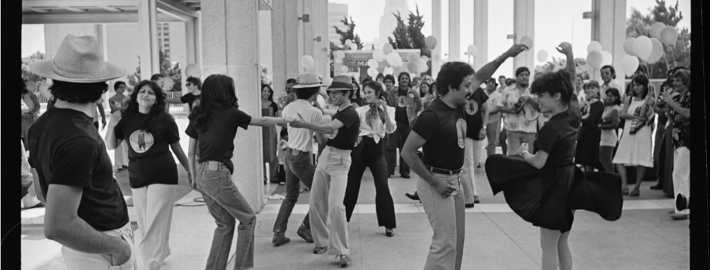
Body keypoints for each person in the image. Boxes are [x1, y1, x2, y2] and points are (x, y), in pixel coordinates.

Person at [402, 43, 528, 270]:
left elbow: (481, 74)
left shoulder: (457, 103)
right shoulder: (432, 115)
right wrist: (435, 183)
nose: (471, 90)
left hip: (455, 181)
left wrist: (506, 55)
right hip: (436, 183)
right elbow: (407, 152)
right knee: (444, 243)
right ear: (451, 87)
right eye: (466, 86)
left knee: (457, 242)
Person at [486, 61, 623, 270]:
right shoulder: (573, 115)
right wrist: (569, 57)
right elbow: (571, 86)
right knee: (561, 241)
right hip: (571, 181)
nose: (537, 99)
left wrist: (524, 152)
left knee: (548, 244)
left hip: (556, 186)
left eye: (541, 95)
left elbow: (539, 162)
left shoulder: (552, 127)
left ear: (557, 95)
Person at [27, 34, 134, 269]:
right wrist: (118, 246)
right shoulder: (78, 138)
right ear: (101, 88)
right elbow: (58, 225)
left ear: (57, 83)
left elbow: (43, 192)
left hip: (88, 244)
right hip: (100, 246)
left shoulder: (41, 126)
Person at [185, 74, 291, 270]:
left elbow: (191, 151)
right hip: (216, 173)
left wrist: (193, 178)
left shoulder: (199, 114)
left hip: (202, 174)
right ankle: (242, 267)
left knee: (225, 225)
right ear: (226, 91)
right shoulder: (230, 112)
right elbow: (262, 120)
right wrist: (286, 119)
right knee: (248, 218)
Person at [105, 80, 190, 270]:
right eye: (142, 91)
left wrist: (190, 171)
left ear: (157, 99)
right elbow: (111, 145)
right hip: (137, 176)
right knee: (144, 223)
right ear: (136, 95)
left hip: (163, 174)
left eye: (151, 93)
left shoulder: (165, 119)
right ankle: (162, 251)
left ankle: (151, 262)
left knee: (156, 219)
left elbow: (177, 148)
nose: (146, 95)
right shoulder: (126, 118)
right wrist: (111, 126)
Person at [289, 75, 361, 267]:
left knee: (336, 206)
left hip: (340, 162)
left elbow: (329, 126)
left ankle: (343, 251)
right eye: (331, 92)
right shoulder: (339, 110)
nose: (333, 95)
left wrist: (304, 124)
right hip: (326, 157)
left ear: (347, 93)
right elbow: (327, 116)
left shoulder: (350, 114)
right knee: (315, 202)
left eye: (337, 92)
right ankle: (321, 242)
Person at [272, 72, 326, 247]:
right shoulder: (314, 112)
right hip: (301, 158)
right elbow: (322, 140)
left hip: (289, 155)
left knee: (291, 196)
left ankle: (278, 232)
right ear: (315, 91)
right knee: (322, 193)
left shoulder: (289, 107)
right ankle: (305, 227)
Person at [343, 81, 397, 236]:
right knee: (351, 186)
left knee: (382, 185)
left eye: (369, 92)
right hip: (360, 148)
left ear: (378, 93)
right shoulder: (360, 110)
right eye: (365, 92)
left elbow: (390, 129)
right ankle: (342, 221)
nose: (365, 95)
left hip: (377, 149)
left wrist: (385, 110)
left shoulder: (389, 110)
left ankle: (389, 224)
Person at [612, 75, 655, 197]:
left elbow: (644, 113)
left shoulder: (650, 99)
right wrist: (636, 117)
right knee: (619, 158)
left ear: (645, 86)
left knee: (641, 158)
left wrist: (646, 100)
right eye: (634, 85)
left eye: (638, 85)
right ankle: (624, 185)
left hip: (642, 129)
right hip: (628, 129)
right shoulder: (629, 99)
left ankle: (637, 187)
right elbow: (623, 115)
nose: (635, 88)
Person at [660, 69, 690, 220]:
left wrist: (672, 103)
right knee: (681, 174)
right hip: (678, 139)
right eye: (674, 80)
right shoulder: (680, 97)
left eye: (678, 80)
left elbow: (689, 114)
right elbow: (675, 119)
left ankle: (682, 209)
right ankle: (682, 205)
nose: (675, 83)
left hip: (687, 139)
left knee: (679, 173)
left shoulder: (691, 96)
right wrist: (668, 111)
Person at [385, 72, 422, 178]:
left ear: (408, 80)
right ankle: (389, 170)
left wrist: (416, 116)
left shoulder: (413, 92)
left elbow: (419, 105)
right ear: (399, 80)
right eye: (402, 78)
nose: (404, 80)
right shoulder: (393, 91)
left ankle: (405, 171)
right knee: (391, 146)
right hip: (394, 123)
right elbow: (388, 104)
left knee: (405, 148)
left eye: (406, 78)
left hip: (408, 123)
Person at [497, 66, 538, 156]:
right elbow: (499, 107)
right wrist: (512, 110)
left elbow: (540, 107)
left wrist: (529, 99)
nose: (524, 77)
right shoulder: (508, 90)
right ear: (516, 77)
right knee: (513, 157)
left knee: (528, 157)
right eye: (521, 75)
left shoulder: (535, 90)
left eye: (526, 75)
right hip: (512, 129)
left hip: (529, 130)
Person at [461, 86, 489, 207]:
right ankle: (472, 193)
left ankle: (466, 189)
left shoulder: (479, 91)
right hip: (464, 131)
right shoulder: (459, 90)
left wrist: (484, 127)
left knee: (475, 161)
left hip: (477, 131)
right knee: (468, 162)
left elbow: (486, 109)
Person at [575, 80, 604, 171]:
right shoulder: (587, 103)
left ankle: (591, 176)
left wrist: (582, 118)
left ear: (598, 90)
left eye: (593, 88)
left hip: (593, 131)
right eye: (588, 88)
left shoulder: (598, 103)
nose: (590, 90)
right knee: (583, 157)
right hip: (585, 131)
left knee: (589, 156)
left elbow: (591, 119)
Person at [598, 88, 622, 173]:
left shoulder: (615, 109)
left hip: (610, 136)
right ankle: (608, 173)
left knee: (607, 158)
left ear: (616, 97)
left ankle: (611, 175)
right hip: (604, 135)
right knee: (601, 157)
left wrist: (602, 127)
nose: (608, 98)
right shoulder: (607, 107)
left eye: (611, 96)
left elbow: (615, 124)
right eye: (607, 96)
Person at [261, 84, 281, 184]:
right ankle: (262, 177)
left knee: (272, 153)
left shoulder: (273, 104)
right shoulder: (257, 103)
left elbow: (278, 118)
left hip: (271, 131)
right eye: (264, 91)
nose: (266, 93)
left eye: (268, 91)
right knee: (261, 153)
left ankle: (274, 176)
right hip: (259, 131)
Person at [109, 81, 130, 171]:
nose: (123, 89)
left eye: (124, 87)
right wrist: (122, 109)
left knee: (126, 142)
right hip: (116, 120)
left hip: (126, 120)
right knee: (118, 142)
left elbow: (128, 109)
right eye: (121, 87)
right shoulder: (112, 99)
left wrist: (121, 109)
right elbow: (113, 109)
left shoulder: (127, 99)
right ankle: (119, 163)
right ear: (116, 88)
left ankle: (127, 162)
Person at [485, 78, 502, 157]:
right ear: (486, 84)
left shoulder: (498, 95)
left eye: (492, 83)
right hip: (480, 120)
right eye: (489, 82)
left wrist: (487, 112)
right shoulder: (482, 93)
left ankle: (490, 159)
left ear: (495, 85)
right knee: (477, 140)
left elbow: (498, 108)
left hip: (493, 121)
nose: (490, 84)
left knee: (492, 142)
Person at [22, 79, 41, 149]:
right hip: (22, 119)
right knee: (25, 138)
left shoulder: (29, 93)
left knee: (31, 137)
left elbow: (38, 106)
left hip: (30, 118)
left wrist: (31, 113)